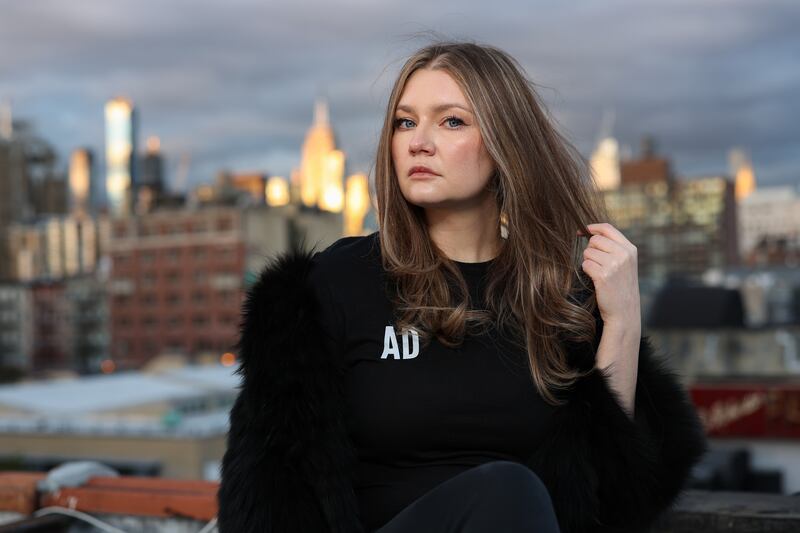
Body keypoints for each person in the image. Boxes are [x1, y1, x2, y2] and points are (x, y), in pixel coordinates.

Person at [217, 41, 708, 533]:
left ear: (504, 142)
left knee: (509, 493)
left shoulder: (559, 299)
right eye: (405, 122)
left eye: (451, 121)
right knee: (506, 490)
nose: (418, 142)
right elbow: (265, 494)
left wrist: (621, 321)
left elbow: (612, 504)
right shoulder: (332, 286)